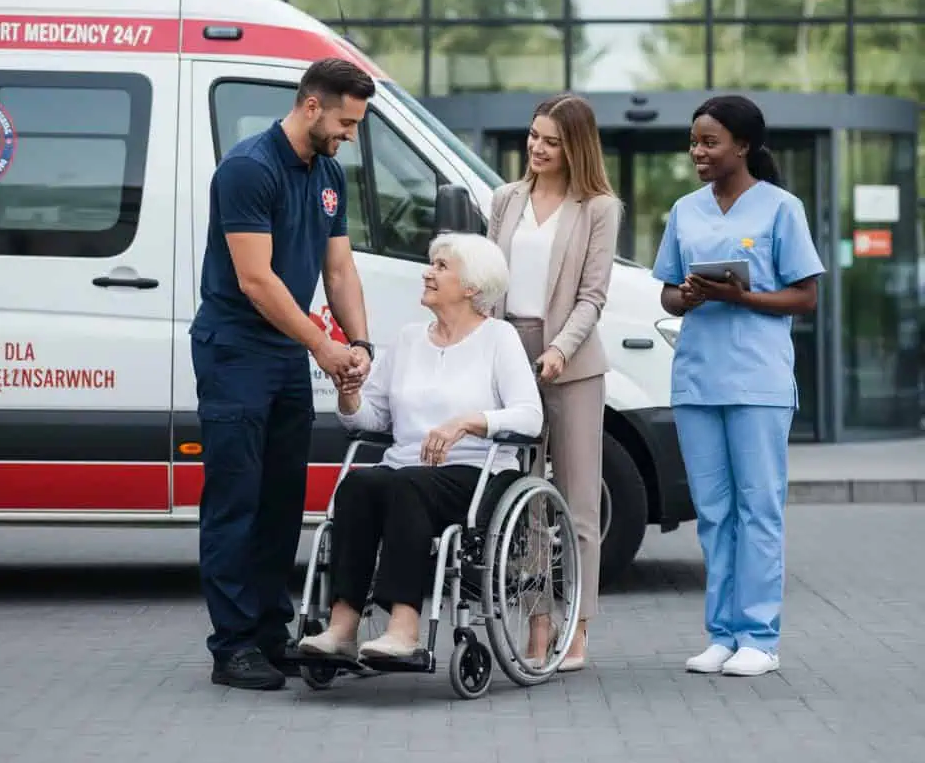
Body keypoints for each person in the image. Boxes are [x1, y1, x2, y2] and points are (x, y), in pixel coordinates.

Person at [190, 57, 377, 691]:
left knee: (279, 503)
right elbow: (256, 280)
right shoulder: (249, 168)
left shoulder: (326, 175)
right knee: (235, 502)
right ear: (312, 106)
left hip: (284, 356)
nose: (351, 135)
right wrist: (322, 347)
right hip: (236, 352)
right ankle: (233, 645)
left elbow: (340, 269)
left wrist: (359, 343)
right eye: (347, 122)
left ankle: (270, 631)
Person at [296, 232, 543, 662]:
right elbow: (369, 420)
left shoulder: (498, 338)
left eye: (441, 267)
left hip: (477, 472)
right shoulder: (409, 339)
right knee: (359, 486)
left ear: (471, 287)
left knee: (407, 486)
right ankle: (342, 625)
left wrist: (469, 423)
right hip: (407, 467)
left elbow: (530, 416)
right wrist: (348, 394)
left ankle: (404, 627)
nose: (428, 273)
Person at [652, 93, 824, 678]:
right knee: (715, 511)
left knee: (759, 509)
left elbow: (806, 296)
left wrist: (742, 296)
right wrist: (690, 295)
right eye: (694, 141)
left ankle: (760, 637)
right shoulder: (685, 210)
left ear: (743, 146)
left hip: (758, 382)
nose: (698, 152)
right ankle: (722, 635)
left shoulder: (781, 209)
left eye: (710, 142)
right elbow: (668, 292)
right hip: (698, 380)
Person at [488, 93, 620, 672]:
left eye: (550, 140)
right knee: (525, 503)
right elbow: (489, 280)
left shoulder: (598, 208)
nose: (536, 148)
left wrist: (560, 350)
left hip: (571, 362)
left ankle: (578, 629)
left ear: (576, 147)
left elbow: (593, 296)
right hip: (509, 352)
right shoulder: (505, 199)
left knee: (577, 502)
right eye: (533, 135)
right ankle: (537, 628)